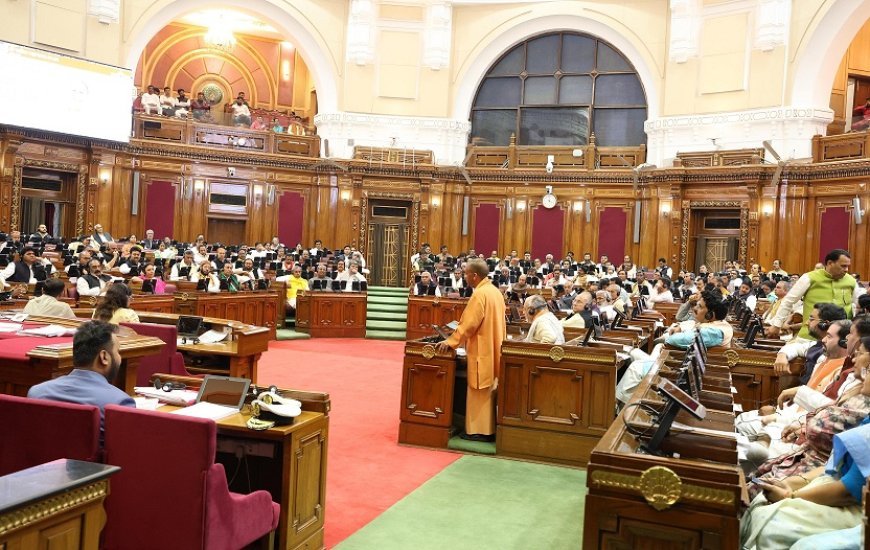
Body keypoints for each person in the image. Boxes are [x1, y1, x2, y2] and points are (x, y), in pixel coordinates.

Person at [436, 258, 506, 442]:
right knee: (489, 388)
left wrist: (451, 342)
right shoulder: (495, 292)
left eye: (466, 273)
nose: (465, 276)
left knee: (479, 389)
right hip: (494, 348)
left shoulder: (480, 294)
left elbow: (468, 324)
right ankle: (488, 429)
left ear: (474, 275)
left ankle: (478, 431)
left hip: (482, 350)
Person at [27, 321, 134, 432]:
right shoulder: (119, 402)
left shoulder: (36, 393)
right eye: (118, 352)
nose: (120, 358)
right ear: (104, 357)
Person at [767, 249, 860, 339]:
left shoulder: (851, 281)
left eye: (848, 266)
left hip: (841, 339)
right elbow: (788, 301)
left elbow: (859, 306)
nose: (846, 270)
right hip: (809, 337)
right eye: (843, 266)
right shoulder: (809, 278)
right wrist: (777, 325)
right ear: (830, 263)